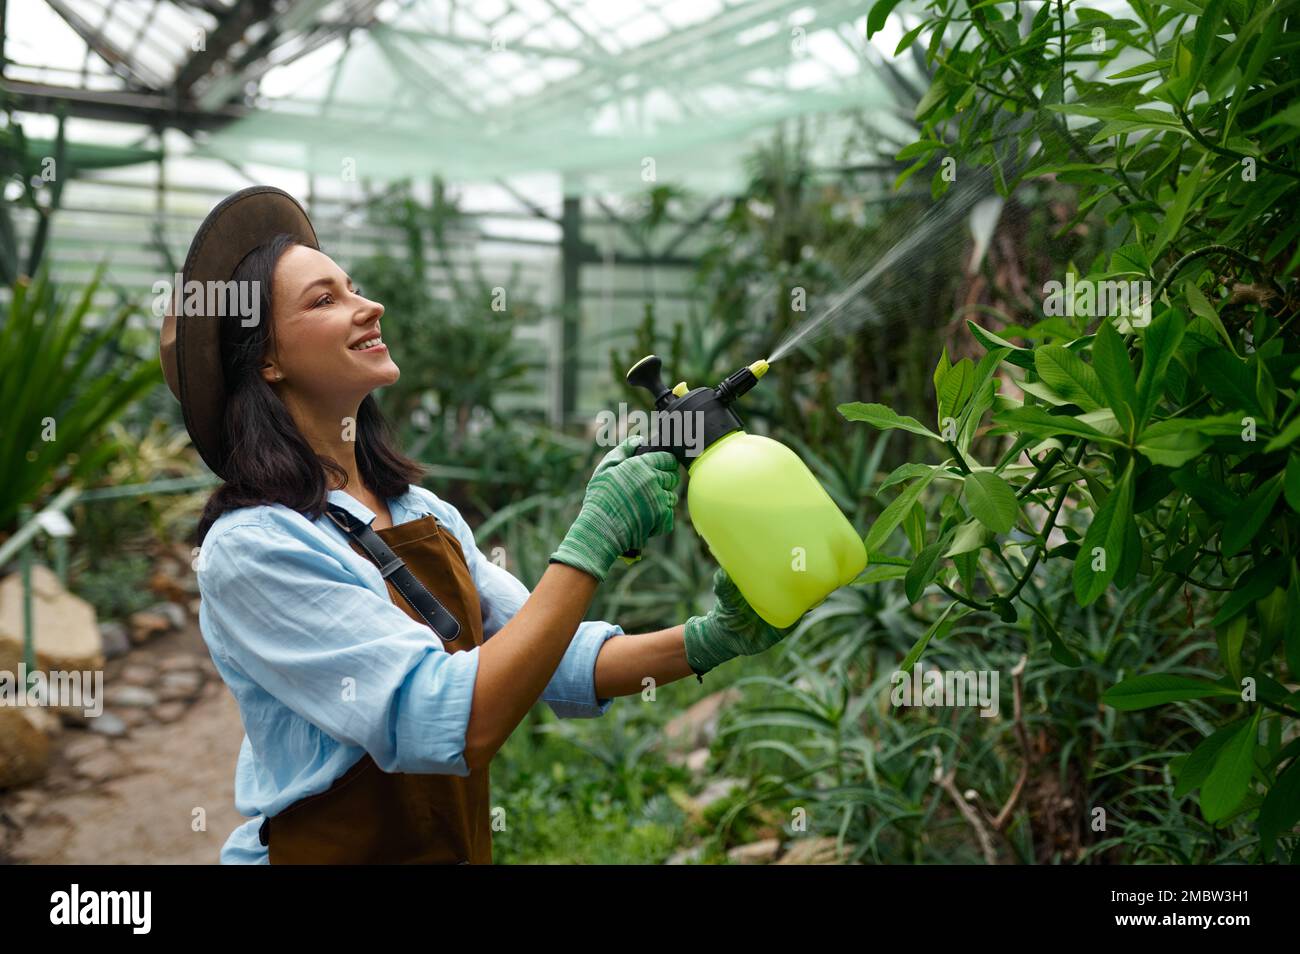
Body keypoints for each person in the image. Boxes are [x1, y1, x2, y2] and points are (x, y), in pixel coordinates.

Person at [158, 185, 796, 864]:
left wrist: (711, 639)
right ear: (267, 360)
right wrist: (592, 540)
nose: (368, 306)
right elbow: (448, 722)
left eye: (353, 287)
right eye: (325, 300)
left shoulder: (421, 514)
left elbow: (554, 659)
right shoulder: (255, 546)